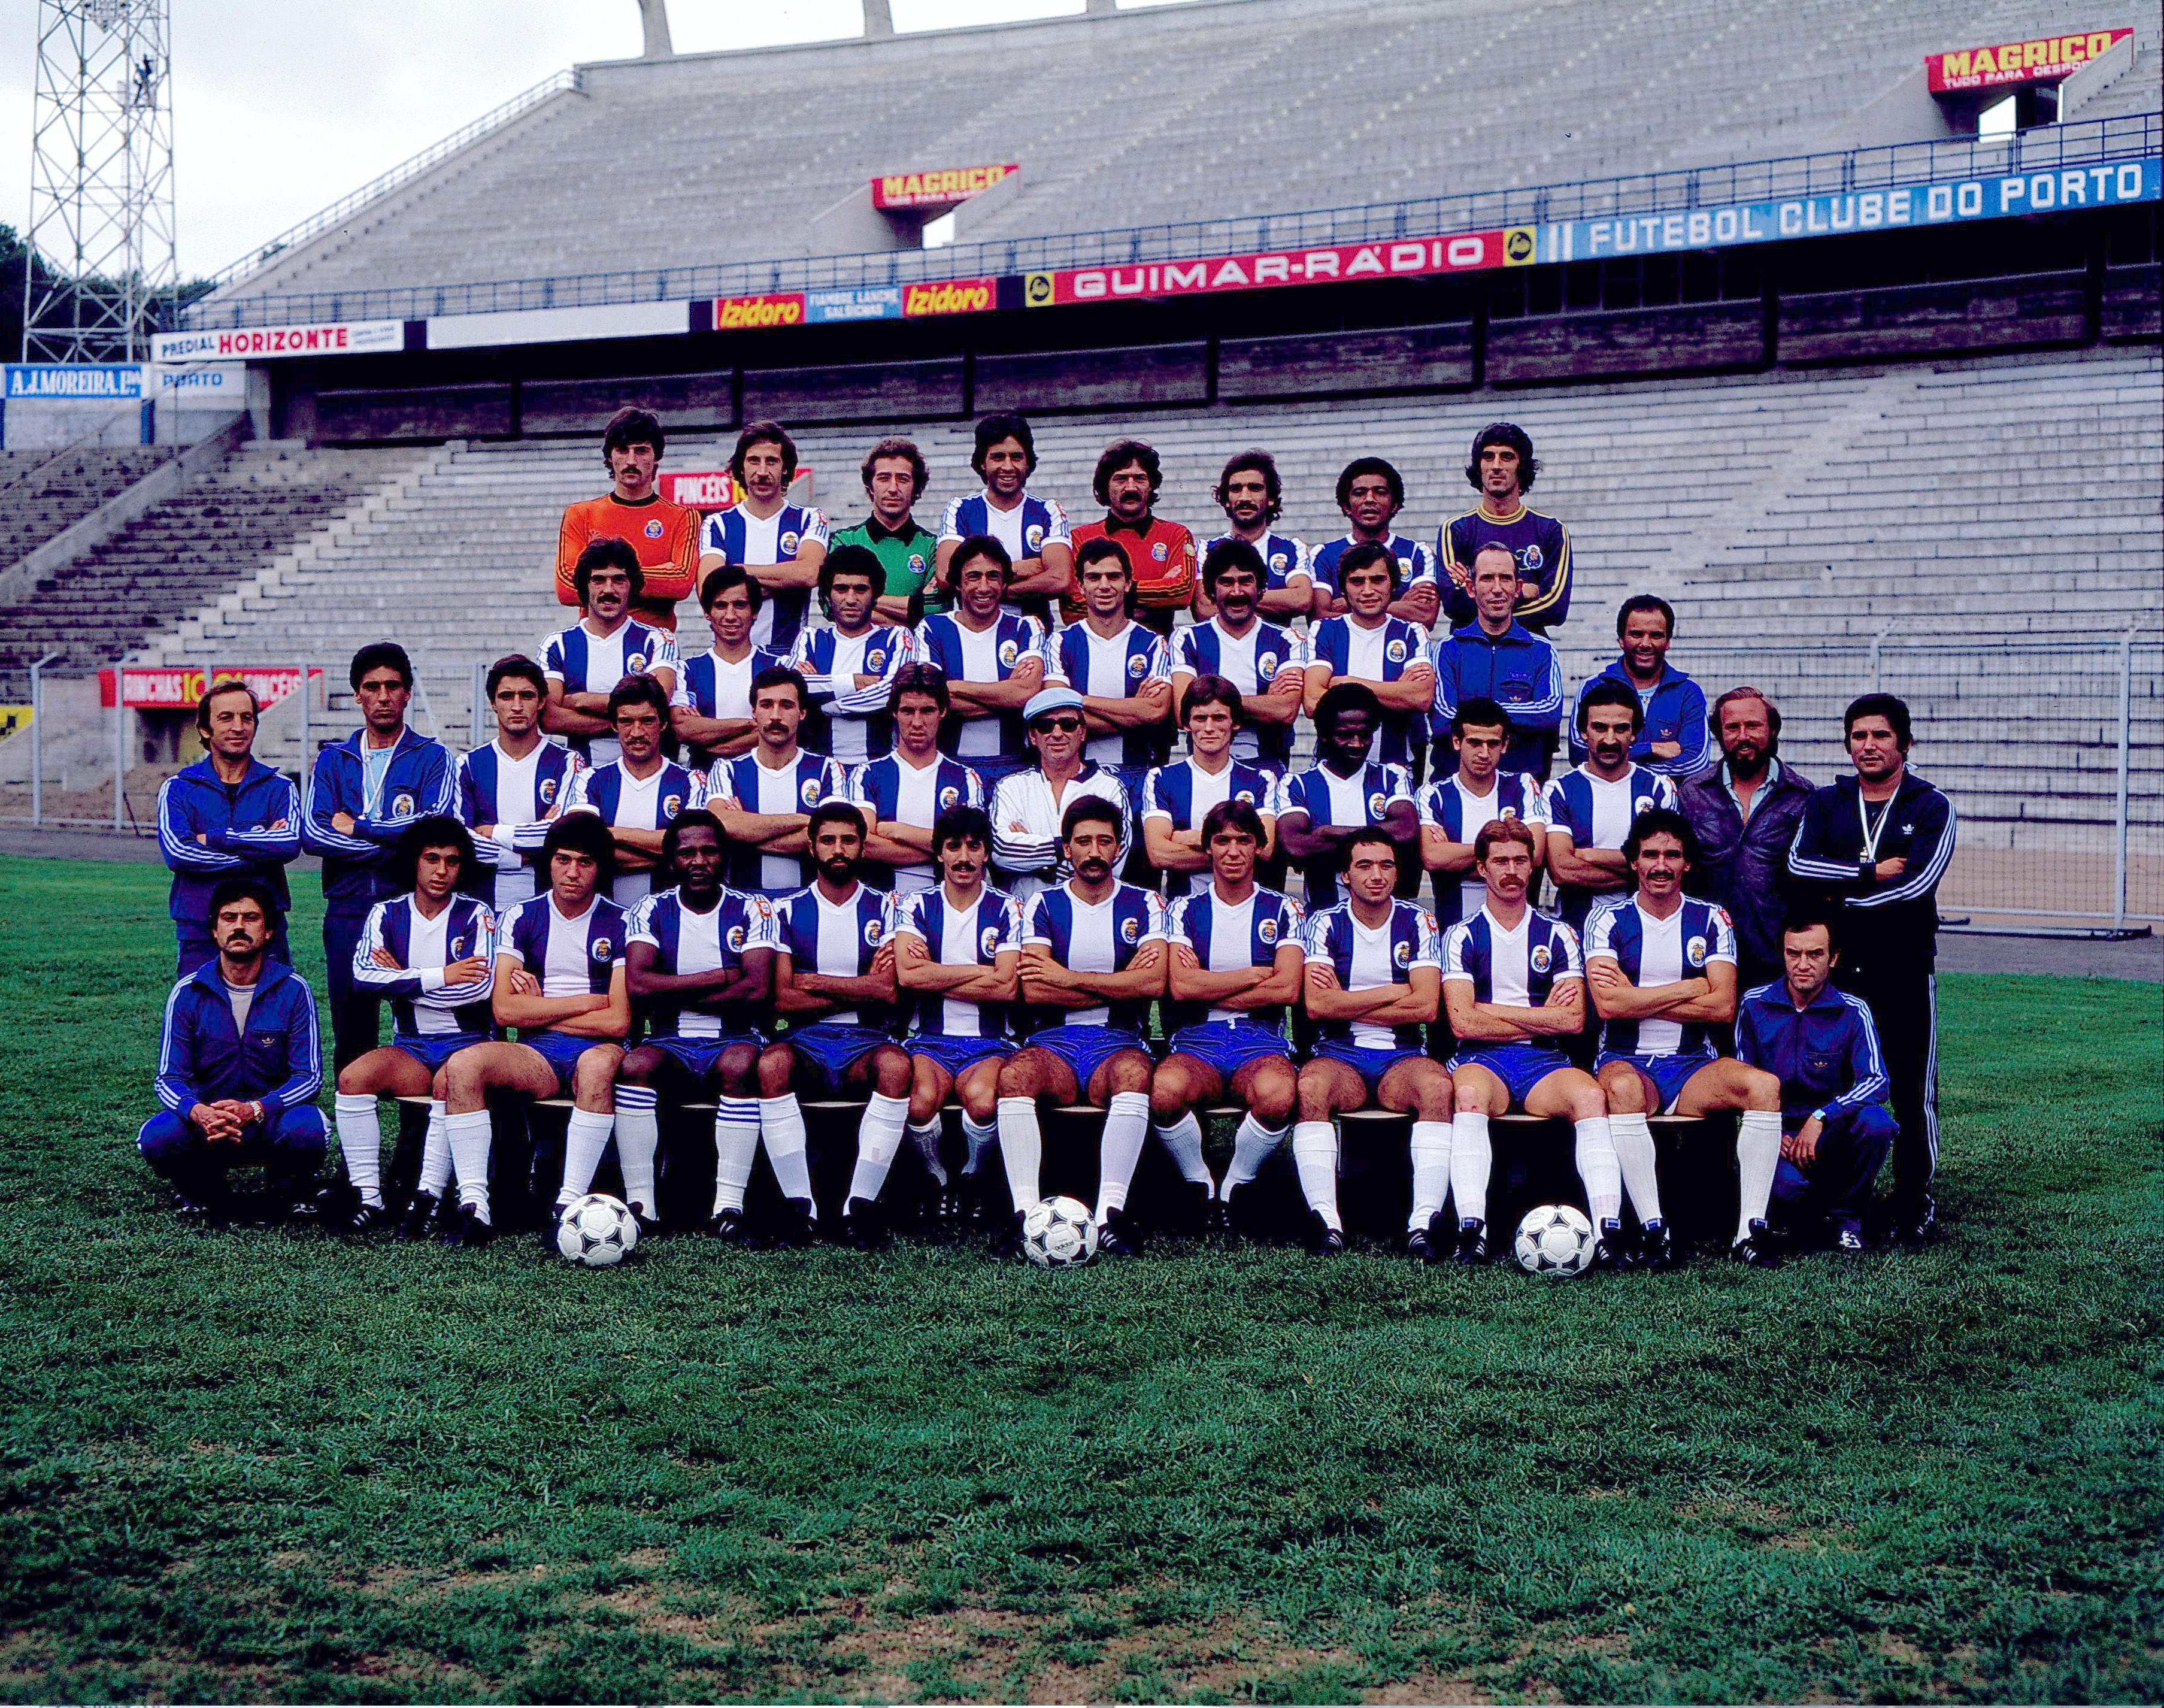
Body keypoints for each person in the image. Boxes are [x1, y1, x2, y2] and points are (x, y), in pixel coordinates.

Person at [1786, 693, 1956, 1244]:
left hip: (1903, 969)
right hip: (1839, 971)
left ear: (1904, 743)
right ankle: (1833, 1195)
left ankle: (1914, 1198)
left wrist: (1841, 901)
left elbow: (1917, 884)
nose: (1869, 746)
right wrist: (1865, 872)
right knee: (1829, 1080)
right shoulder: (1828, 801)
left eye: (1880, 736)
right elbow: (1798, 864)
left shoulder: (1931, 806)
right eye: (1859, 736)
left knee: (1911, 1088)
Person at [1586, 808, 1786, 1269]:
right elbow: (1609, 1007)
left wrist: (1637, 994)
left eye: (1672, 855)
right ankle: (1656, 1230)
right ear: (1634, 862)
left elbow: (1722, 1007)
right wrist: (1690, 986)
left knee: (1764, 1087)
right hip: (1626, 1059)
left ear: (1688, 864)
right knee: (1621, 1091)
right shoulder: (1606, 920)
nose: (1661, 865)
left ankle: (1749, 1231)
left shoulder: (1712, 918)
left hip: (1694, 1063)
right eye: (1651, 854)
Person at [440, 814, 631, 1245]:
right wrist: (586, 1002)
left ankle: (568, 1205)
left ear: (599, 867)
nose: (573, 872)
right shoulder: (521, 916)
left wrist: (539, 1007)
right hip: (537, 1056)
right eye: (563, 860)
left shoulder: (622, 922)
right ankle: (475, 1206)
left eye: (585, 862)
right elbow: (506, 1010)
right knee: (466, 1063)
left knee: (600, 1067)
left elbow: (619, 1020)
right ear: (549, 863)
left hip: (597, 1049)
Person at [998, 797, 1168, 1256]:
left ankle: (1112, 1214)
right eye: (1083, 841)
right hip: (1052, 1043)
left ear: (1118, 848)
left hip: (1117, 1043)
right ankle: (1025, 1215)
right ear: (1067, 849)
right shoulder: (1042, 903)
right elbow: (1034, 991)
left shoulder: (1146, 903)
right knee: (1014, 1076)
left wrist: (1067, 978)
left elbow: (1152, 983)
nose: (1094, 851)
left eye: (1104, 841)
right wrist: (1120, 982)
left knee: (1135, 1076)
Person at [1438, 819, 1607, 1266]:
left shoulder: (1560, 935)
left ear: (1532, 867)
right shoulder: (1461, 935)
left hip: (1544, 1062)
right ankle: (1472, 1229)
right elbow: (1460, 1022)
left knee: (1591, 1095)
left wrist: (1488, 1011)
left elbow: (1572, 1021)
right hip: (1481, 1060)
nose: (1511, 870)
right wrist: (1539, 1018)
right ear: (1481, 868)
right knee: (1470, 1095)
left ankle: (1608, 1230)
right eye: (1500, 862)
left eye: (1519, 860)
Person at [618, 810, 778, 1244]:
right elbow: (638, 985)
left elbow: (758, 990)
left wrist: (670, 988)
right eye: (687, 852)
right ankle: (641, 1205)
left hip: (734, 1038)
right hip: (669, 1040)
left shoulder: (753, 908)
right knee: (634, 1067)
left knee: (742, 1064)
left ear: (724, 857)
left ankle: (729, 1205)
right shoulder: (649, 909)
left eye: (709, 851)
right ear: (672, 861)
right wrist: (722, 975)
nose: (699, 860)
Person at [757, 802, 913, 1248]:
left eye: (848, 840)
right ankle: (798, 1208)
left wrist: (813, 980)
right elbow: (783, 996)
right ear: (812, 847)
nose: (838, 850)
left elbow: (890, 992)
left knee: (898, 1068)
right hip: (804, 1039)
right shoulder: (784, 911)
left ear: (863, 847)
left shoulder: (890, 909)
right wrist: (862, 984)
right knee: (770, 1066)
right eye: (828, 840)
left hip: (868, 1040)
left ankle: (858, 1209)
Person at [335, 816, 497, 1237]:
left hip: (467, 1043)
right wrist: (437, 974)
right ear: (414, 861)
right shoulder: (385, 913)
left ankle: (427, 1196)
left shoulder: (476, 914)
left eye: (452, 861)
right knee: (353, 1078)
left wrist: (402, 979)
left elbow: (478, 989)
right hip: (411, 1044)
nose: (441, 870)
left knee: (450, 1084)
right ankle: (368, 1196)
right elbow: (362, 979)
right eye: (432, 859)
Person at [1293, 831, 1451, 1256]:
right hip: (1339, 1055)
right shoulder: (1325, 922)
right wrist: (1395, 990)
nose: (1376, 875)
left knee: (1438, 1087)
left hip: (1402, 1058)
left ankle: (1423, 1224)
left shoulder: (1417, 920)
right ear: (1345, 876)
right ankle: (1326, 1221)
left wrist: (1344, 1002)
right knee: (1310, 1088)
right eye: (1364, 866)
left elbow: (1427, 1008)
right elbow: (1317, 1006)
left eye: (1386, 865)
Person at [302, 642, 456, 1071]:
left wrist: (358, 826)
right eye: (372, 687)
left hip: (412, 907)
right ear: (357, 695)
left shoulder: (433, 756)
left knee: (422, 1025)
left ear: (408, 693)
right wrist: (393, 842)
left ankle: (416, 1136)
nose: (383, 696)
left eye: (393, 686)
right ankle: (355, 1133)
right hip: (348, 908)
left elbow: (433, 830)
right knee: (352, 1029)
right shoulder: (334, 759)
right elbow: (313, 834)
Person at [140, 877, 326, 1223]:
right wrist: (200, 1113)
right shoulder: (188, 992)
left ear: (268, 932)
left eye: (251, 918)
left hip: (269, 1118)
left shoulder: (294, 990)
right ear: (214, 931)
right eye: (229, 918)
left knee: (308, 1128)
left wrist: (256, 1108)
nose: (239, 926)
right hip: (209, 1121)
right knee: (157, 1137)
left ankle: (291, 1187)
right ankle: (199, 1188)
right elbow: (168, 1078)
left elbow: (310, 1077)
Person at [1154, 801, 1304, 1227]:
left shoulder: (1284, 910)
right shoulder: (1183, 908)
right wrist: (1254, 976)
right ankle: (1199, 1183)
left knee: (1278, 1096)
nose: (1233, 851)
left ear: (1259, 848)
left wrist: (1210, 985)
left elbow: (1288, 988)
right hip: (1196, 1042)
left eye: (1244, 840)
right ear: (1209, 849)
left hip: (1261, 1041)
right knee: (1164, 1092)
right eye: (1223, 841)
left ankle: (1236, 1184)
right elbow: (1181, 987)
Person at [1734, 912, 1896, 1253]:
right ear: (1783, 954)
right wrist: (1768, 1133)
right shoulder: (1754, 1005)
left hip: (1828, 1130)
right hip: (1774, 1133)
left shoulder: (1854, 1010)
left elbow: (1877, 1080)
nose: (1803, 964)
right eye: (1794, 954)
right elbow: (1737, 1080)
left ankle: (1848, 1218)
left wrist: (1823, 1116)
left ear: (1833, 958)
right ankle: (1800, 1209)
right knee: (1789, 1194)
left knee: (1878, 1123)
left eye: (1815, 954)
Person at [893, 805, 1023, 1222]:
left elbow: (1006, 986)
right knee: (918, 1103)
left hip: (988, 1042)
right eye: (954, 847)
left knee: (983, 1103)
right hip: (928, 1040)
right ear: (939, 854)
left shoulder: (1009, 909)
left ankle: (972, 1177)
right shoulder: (916, 905)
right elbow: (908, 977)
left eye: (974, 847)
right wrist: (979, 972)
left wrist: (934, 971)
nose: (964, 857)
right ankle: (937, 1178)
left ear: (987, 853)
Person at [157, 680, 301, 974]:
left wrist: (215, 838)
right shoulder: (178, 788)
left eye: (246, 717)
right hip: (199, 928)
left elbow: (289, 844)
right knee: (203, 1015)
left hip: (266, 929)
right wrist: (260, 847)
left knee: (270, 1014)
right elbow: (178, 854)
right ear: (204, 729)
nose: (238, 727)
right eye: (226, 718)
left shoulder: (280, 787)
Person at [1678, 686, 1813, 992]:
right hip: (1705, 949)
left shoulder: (1803, 796)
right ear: (1718, 733)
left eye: (1753, 726)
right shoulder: (1693, 793)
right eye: (1732, 727)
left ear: (1773, 729)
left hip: (1775, 951)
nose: (1743, 736)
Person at [1042, 535, 1173, 805]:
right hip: (1076, 777)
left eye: (1113, 577)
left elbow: (1155, 711)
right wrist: (1134, 711)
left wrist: (1078, 701)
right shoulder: (1060, 642)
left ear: (1128, 584)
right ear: (1080, 585)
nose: (1104, 586)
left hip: (1137, 774)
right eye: (1094, 577)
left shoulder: (1153, 644)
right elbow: (1057, 714)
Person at [911, 535, 1047, 788]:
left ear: (1005, 582)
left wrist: (952, 685)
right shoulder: (933, 628)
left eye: (993, 576)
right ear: (958, 584)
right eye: (974, 577)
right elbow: (929, 701)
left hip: (1016, 765)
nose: (984, 587)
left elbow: (1028, 694)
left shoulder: (1026, 627)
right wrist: (1007, 697)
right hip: (949, 764)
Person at [560, 675, 707, 907]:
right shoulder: (590, 780)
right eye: (627, 722)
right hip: (605, 919)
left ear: (663, 724)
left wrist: (612, 835)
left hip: (671, 917)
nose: (637, 732)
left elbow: (694, 849)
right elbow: (585, 848)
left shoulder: (691, 781)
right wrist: (668, 856)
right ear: (614, 725)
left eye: (647, 721)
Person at [1544, 680, 1679, 933]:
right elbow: (1562, 871)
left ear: (1634, 733)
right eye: (1599, 728)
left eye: (1620, 729)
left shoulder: (1659, 789)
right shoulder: (1559, 791)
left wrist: (1589, 855)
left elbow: (1669, 866)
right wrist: (1640, 874)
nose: (1609, 739)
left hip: (1646, 930)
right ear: (1584, 732)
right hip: (1578, 928)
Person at [554, 406, 701, 633]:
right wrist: (655, 578)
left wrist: (600, 577)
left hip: (654, 647)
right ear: (610, 457)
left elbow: (680, 583)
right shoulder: (581, 514)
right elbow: (565, 588)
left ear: (656, 457)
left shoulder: (682, 517)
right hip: (596, 645)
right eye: (622, 450)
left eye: (641, 450)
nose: (631, 461)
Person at [707, 666, 850, 897]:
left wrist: (746, 834)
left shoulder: (828, 769)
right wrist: (804, 820)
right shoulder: (727, 769)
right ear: (754, 712)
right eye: (766, 705)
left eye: (786, 705)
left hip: (807, 902)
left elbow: (830, 839)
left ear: (802, 713)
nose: (775, 716)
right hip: (743, 901)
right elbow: (721, 826)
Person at [456, 655, 583, 910]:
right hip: (481, 905)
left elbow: (565, 836)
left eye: (526, 695)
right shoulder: (468, 765)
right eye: (506, 696)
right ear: (493, 703)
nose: (516, 705)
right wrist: (522, 855)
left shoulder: (568, 762)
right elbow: (461, 841)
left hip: (548, 907)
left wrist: (495, 832)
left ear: (541, 702)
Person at [989, 685, 1131, 911]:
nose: (1057, 734)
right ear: (1033, 737)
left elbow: (1112, 863)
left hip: (1089, 914)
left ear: (1082, 733)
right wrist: (1063, 848)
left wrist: (1033, 854)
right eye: (1045, 726)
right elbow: (1001, 851)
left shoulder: (1110, 788)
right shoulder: (1011, 787)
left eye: (1067, 724)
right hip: (1024, 916)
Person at [1428, 543, 1565, 779]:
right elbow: (1441, 719)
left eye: (1506, 579)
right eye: (1488, 579)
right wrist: (1510, 718)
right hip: (1454, 786)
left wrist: (1479, 714)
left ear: (1517, 587)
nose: (1497, 588)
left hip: (1520, 787)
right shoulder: (1447, 650)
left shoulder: (1541, 650)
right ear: (1471, 588)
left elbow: (1550, 714)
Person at [848, 665, 987, 894]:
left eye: (927, 711)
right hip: (882, 905)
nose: (917, 722)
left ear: (942, 711)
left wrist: (899, 831)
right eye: (908, 711)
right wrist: (944, 847)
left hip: (944, 907)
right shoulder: (867, 775)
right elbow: (865, 844)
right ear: (894, 712)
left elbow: (970, 851)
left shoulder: (965, 779)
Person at [541, 538, 680, 765]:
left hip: (648, 775)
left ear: (631, 586)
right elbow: (550, 719)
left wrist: (580, 701)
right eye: (598, 580)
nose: (608, 590)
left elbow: (659, 702)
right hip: (583, 778)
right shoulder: (558, 644)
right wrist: (628, 721)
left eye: (618, 580)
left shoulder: (658, 639)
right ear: (585, 587)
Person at [1275, 682, 1419, 901]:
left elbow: (1406, 831)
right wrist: (1379, 844)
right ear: (1323, 735)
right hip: (1322, 916)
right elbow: (1295, 846)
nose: (1357, 744)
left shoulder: (1392, 777)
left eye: (1364, 735)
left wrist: (1328, 832)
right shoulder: (1296, 784)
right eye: (1345, 735)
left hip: (1385, 919)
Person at [1303, 540, 1436, 776]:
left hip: (1396, 770)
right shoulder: (1324, 631)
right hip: (1332, 771)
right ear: (1343, 588)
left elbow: (1421, 697)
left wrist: (1345, 683)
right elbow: (1314, 702)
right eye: (1357, 581)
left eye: (1377, 580)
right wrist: (1396, 691)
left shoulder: (1412, 632)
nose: (1367, 590)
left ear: (1393, 584)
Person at [1171, 538, 1305, 770]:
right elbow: (1183, 713)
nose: (1236, 591)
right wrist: (1264, 701)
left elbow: (1285, 711)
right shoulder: (1188, 639)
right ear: (1211, 590)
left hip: (1269, 767)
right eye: (1226, 582)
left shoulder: (1287, 639)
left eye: (1245, 582)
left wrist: (1208, 703)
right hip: (1206, 768)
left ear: (1261, 589)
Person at [1140, 677, 1279, 900]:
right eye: (1200, 718)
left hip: (1247, 907)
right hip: (1182, 911)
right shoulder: (1161, 778)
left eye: (1219, 718)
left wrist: (1184, 837)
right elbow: (1158, 854)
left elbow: (1265, 850)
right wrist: (1239, 847)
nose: (1209, 728)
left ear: (1235, 723)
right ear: (1187, 724)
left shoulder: (1261, 780)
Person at [698, 420, 829, 652]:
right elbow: (709, 591)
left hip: (788, 655)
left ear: (786, 468)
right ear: (741, 467)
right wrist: (786, 582)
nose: (762, 472)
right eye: (754, 461)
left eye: (772, 461)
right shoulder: (718, 524)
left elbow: (809, 573)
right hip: (732, 655)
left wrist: (735, 573)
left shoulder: (810, 518)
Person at [1419, 696, 1548, 930]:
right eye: (1475, 743)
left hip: (1518, 930)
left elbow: (1535, 854)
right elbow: (1432, 857)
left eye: (1493, 744)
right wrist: (1508, 853)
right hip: (1452, 928)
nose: (1484, 753)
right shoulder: (1433, 794)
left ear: (1505, 745)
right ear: (1457, 742)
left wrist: (1457, 857)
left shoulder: (1523, 785)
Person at [936, 412, 1072, 621]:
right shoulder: (961, 509)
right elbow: (947, 576)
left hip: (1033, 635)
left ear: (1028, 463)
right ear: (983, 462)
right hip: (974, 635)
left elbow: (1060, 580)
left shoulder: (1049, 511)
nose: (1008, 467)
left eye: (1016, 457)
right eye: (998, 457)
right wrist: (1022, 568)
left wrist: (984, 586)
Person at [1438, 422, 1571, 633]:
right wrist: (1523, 592)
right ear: (1479, 466)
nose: (1496, 466)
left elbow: (1555, 609)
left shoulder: (1551, 530)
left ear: (1522, 467)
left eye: (1507, 457)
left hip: (1529, 650)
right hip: (1468, 649)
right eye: (1488, 457)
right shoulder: (1455, 530)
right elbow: (1455, 604)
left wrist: (1482, 598)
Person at [787, 543, 914, 764]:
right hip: (821, 767)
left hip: (880, 766)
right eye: (842, 589)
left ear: (876, 595)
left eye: (861, 589)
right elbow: (791, 688)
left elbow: (892, 693)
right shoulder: (810, 639)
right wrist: (852, 682)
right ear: (827, 595)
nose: (851, 599)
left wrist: (828, 705)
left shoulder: (896, 638)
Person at [1567, 595, 1710, 779]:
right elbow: (1579, 753)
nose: (1645, 644)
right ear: (1621, 639)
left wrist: (1626, 770)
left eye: (1656, 635)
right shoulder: (1594, 687)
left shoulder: (1688, 693)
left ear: (1667, 642)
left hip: (1667, 805)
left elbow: (1696, 763)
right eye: (1636, 634)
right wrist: (1653, 749)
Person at [1066, 438, 1196, 636]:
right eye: (1121, 479)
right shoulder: (1080, 538)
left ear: (1151, 485)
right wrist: (1154, 596)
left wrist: (1110, 596)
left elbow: (1182, 593)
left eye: (1140, 478)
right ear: (1105, 486)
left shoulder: (1176, 535)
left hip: (1159, 650)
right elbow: (1073, 607)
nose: (1131, 488)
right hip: (1096, 650)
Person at [669, 565, 784, 765]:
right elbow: (683, 728)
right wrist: (750, 725)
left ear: (755, 612)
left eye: (739, 605)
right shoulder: (686, 670)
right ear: (707, 613)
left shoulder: (779, 668)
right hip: (704, 782)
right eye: (721, 606)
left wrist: (709, 734)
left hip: (762, 779)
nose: (730, 616)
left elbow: (784, 730)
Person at [1309, 456, 1441, 629]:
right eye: (1359, 493)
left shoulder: (1418, 552)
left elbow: (1426, 615)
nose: (1370, 499)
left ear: (1394, 504)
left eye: (1380, 492)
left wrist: (1347, 604)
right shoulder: (1323, 555)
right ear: (1346, 506)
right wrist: (1399, 603)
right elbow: (1320, 618)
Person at [829, 436, 943, 623]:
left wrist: (862, 601)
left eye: (903, 479)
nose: (893, 488)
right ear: (870, 486)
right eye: (883, 478)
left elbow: (936, 608)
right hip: (858, 651)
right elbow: (830, 605)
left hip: (913, 653)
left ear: (916, 487)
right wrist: (903, 622)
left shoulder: (932, 547)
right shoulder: (845, 541)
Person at [1195, 449, 1314, 621]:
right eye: (1236, 489)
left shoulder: (1291, 549)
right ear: (1226, 500)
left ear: (1271, 498)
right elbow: (1204, 609)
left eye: (1255, 488)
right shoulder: (1206, 550)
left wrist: (1228, 600)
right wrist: (1277, 603)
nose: (1244, 497)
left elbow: (1301, 600)